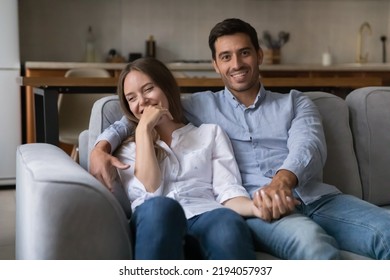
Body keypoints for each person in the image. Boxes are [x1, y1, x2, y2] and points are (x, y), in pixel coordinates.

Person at [90, 18, 390, 260]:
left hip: (317, 197)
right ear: (216, 65)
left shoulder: (296, 102)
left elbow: (308, 145)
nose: (236, 63)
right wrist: (100, 146)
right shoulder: (200, 106)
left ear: (259, 55)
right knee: (314, 248)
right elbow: (144, 111)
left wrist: (280, 183)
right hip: (262, 207)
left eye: (244, 52)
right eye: (226, 57)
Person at [112, 57, 261, 260]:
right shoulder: (128, 148)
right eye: (132, 98)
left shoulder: (211, 134)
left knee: (227, 222)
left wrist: (256, 207)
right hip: (156, 219)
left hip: (206, 215)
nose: (142, 101)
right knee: (162, 207)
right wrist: (144, 130)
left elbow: (228, 191)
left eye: (148, 89)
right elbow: (151, 190)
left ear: (166, 87)